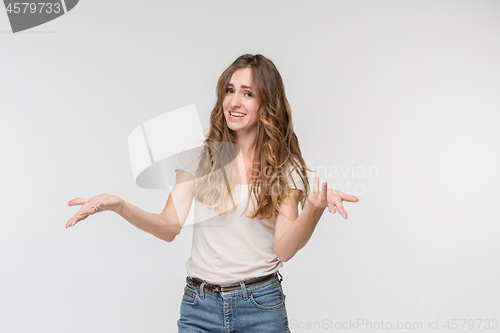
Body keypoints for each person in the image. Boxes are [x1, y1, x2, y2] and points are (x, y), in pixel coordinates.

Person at [65, 54, 359, 332]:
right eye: (229, 90)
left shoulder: (284, 165)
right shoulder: (199, 156)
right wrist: (120, 206)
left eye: (248, 93)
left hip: (260, 306)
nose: (234, 101)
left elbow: (284, 249)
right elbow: (169, 227)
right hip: (199, 305)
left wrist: (314, 209)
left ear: (267, 103)